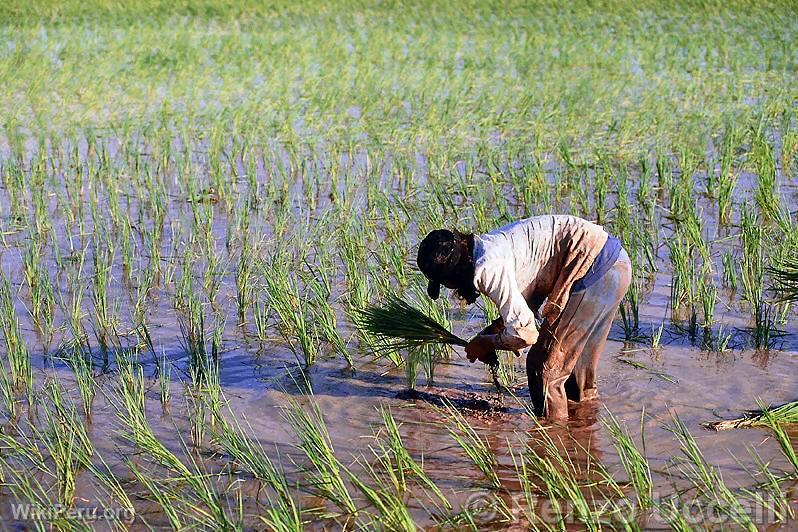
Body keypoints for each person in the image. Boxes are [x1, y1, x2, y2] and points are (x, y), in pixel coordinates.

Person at [416, 215, 631, 420]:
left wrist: (485, 343)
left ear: (455, 274)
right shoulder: (487, 246)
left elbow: (525, 333)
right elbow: (524, 304)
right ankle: (583, 431)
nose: (450, 289)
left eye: (446, 283)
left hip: (593, 270)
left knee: (544, 369)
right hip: (614, 264)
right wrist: (491, 335)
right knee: (577, 377)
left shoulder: (487, 268)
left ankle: (552, 445)